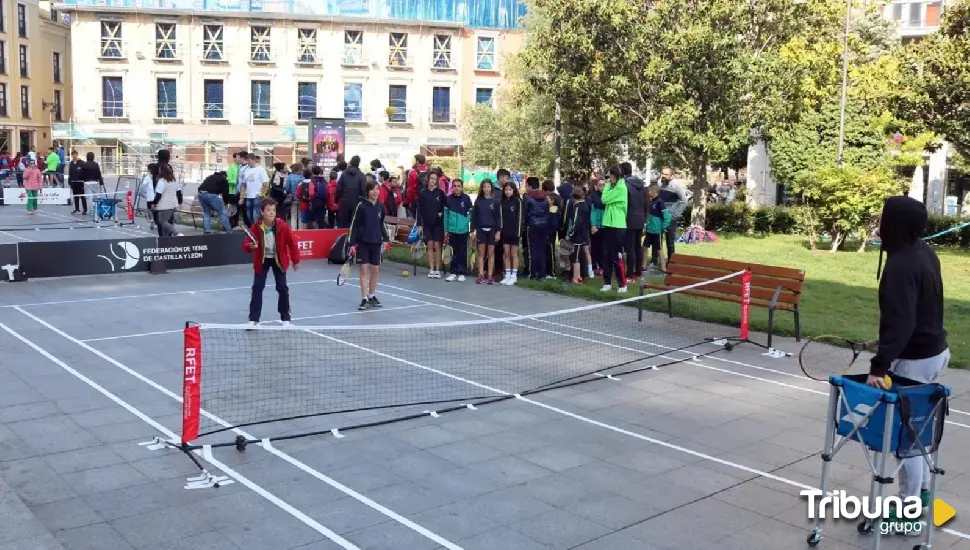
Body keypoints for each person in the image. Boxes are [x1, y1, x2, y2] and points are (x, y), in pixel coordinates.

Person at [866, 196, 948, 534]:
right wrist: (886, 343)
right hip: (935, 351)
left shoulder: (900, 266)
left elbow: (902, 322)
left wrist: (879, 366)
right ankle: (922, 493)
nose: (879, 222)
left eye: (883, 217)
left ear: (894, 225)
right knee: (919, 433)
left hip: (915, 361)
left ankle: (907, 513)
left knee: (908, 442)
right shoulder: (924, 252)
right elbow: (917, 310)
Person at [244, 198, 300, 326]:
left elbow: (292, 243)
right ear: (262, 212)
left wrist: (296, 260)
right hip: (262, 260)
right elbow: (246, 243)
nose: (271, 213)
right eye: (268, 210)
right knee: (257, 288)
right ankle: (253, 319)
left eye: (273, 210)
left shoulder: (282, 226)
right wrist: (250, 246)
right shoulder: (256, 227)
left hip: (278, 260)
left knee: (282, 288)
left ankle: (285, 318)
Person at [348, 181, 390, 311]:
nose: (375, 192)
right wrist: (352, 243)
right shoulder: (361, 206)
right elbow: (354, 225)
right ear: (368, 192)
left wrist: (386, 239)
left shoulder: (381, 207)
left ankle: (372, 296)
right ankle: (364, 298)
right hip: (363, 243)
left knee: (376, 270)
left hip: (376, 243)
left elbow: (382, 224)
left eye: (377, 189)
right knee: (363, 270)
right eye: (372, 190)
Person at [600, 165, 628, 292]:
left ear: (615, 176)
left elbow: (604, 199)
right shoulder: (615, 186)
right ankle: (607, 282)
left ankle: (622, 284)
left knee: (617, 255)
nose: (609, 179)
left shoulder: (621, 187)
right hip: (609, 224)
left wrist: (606, 186)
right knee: (606, 254)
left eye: (610, 176)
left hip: (618, 225)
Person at [470, 179, 500, 284]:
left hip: (492, 230)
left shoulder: (495, 201)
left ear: (491, 188)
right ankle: (481, 274)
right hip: (480, 230)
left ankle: (490, 275)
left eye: (488, 186)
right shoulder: (478, 201)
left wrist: (498, 231)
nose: (486, 188)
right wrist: (472, 231)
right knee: (481, 253)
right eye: (484, 187)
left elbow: (498, 218)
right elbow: (474, 217)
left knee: (491, 253)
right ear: (482, 188)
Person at [417, 172, 446, 278]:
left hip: (438, 224)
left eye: (435, 179)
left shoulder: (441, 193)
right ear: (428, 180)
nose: (433, 181)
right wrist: (419, 224)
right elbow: (419, 210)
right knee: (429, 245)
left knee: (437, 245)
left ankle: (437, 269)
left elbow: (445, 206)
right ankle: (431, 269)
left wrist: (441, 212)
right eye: (431, 178)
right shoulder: (423, 193)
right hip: (427, 224)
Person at [444, 178, 472, 282]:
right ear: (452, 187)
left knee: (462, 252)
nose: (456, 188)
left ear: (462, 187)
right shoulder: (448, 199)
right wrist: (446, 229)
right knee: (453, 252)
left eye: (458, 186)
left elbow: (471, 213)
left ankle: (462, 272)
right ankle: (453, 272)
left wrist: (465, 222)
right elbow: (446, 215)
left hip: (463, 230)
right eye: (454, 186)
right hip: (452, 230)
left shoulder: (466, 198)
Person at [622, 162, 647, 281]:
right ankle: (639, 272)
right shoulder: (641, 184)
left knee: (630, 248)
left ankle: (630, 274)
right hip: (640, 219)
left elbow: (625, 203)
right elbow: (646, 202)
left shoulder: (625, 185)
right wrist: (644, 219)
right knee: (638, 246)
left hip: (629, 219)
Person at [524, 177, 551, 281]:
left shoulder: (527, 196)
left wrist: (525, 223)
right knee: (542, 249)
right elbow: (548, 211)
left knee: (533, 250)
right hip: (544, 224)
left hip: (532, 225)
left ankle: (533, 273)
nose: (526, 188)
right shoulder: (545, 196)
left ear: (530, 186)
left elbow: (525, 212)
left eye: (526, 186)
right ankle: (542, 273)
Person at [658, 167, 687, 258]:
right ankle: (656, 261)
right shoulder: (660, 184)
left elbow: (684, 201)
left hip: (670, 218)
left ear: (672, 176)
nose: (663, 176)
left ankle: (671, 262)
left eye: (666, 174)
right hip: (660, 216)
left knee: (669, 242)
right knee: (657, 240)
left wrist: (675, 214)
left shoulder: (677, 186)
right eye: (662, 173)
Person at [499, 182, 523, 285]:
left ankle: (514, 276)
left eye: (510, 189)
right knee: (507, 254)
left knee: (514, 254)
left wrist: (518, 233)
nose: (508, 191)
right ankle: (507, 274)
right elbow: (500, 218)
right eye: (506, 190)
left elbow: (520, 218)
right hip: (505, 232)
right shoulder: (502, 201)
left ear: (513, 190)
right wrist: (500, 231)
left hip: (515, 233)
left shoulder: (518, 201)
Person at [566, 186, 590, 285]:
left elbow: (576, 222)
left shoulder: (577, 207)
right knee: (579, 257)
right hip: (583, 234)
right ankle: (579, 276)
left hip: (577, 236)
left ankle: (575, 278)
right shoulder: (585, 205)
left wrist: (570, 234)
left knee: (575, 258)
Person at [644, 183, 671, 270]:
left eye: (649, 191)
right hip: (649, 230)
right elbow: (650, 216)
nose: (648, 192)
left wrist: (664, 226)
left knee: (659, 250)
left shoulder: (660, 202)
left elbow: (667, 216)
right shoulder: (652, 201)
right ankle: (643, 266)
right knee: (644, 247)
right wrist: (646, 225)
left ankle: (663, 268)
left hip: (656, 231)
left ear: (653, 191)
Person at [152, 162, 182, 237]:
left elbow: (158, 194)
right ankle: (166, 238)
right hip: (172, 204)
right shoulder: (174, 181)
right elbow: (179, 193)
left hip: (163, 205)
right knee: (167, 222)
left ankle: (176, 233)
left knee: (162, 222)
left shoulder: (162, 181)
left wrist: (154, 203)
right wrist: (179, 202)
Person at [336, 155, 366, 228]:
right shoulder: (361, 175)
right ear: (358, 163)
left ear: (351, 162)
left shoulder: (344, 174)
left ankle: (343, 238)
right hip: (356, 202)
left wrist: (336, 199)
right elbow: (363, 190)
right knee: (354, 224)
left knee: (343, 223)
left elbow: (339, 188)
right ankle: (352, 238)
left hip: (344, 201)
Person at [541, 179, 562, 278]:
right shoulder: (555, 198)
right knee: (546, 249)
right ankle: (546, 270)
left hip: (551, 226)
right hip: (550, 226)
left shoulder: (555, 198)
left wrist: (549, 207)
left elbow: (556, 211)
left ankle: (551, 272)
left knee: (550, 249)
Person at [240, 155, 267, 228]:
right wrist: (242, 198)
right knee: (249, 215)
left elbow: (266, 183)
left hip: (257, 196)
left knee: (256, 215)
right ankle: (254, 228)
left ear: (253, 160)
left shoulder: (260, 169)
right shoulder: (246, 170)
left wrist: (261, 194)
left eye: (248, 161)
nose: (247, 163)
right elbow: (243, 184)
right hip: (248, 196)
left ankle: (258, 229)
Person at [495, 168, 512, 277]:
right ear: (501, 178)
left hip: (506, 224)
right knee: (495, 247)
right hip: (495, 223)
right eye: (506, 178)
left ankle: (503, 269)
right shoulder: (493, 190)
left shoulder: (508, 190)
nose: (507, 180)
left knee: (504, 248)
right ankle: (494, 269)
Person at [588, 177, 605, 276]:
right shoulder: (593, 197)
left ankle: (602, 266)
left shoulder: (608, 196)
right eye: (600, 185)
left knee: (604, 247)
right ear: (596, 186)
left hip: (606, 226)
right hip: (596, 225)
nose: (602, 187)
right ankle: (594, 266)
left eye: (604, 185)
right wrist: (593, 225)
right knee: (595, 247)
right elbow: (592, 212)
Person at [226, 152, 245, 228]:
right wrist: (236, 183)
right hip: (233, 191)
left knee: (239, 209)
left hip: (240, 192)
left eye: (239, 157)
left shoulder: (242, 167)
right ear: (234, 158)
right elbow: (229, 180)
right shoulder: (231, 167)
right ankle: (231, 224)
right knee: (232, 209)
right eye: (237, 157)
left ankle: (236, 224)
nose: (238, 159)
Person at [284, 163, 303, 228]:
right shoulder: (302, 177)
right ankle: (301, 233)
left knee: (293, 217)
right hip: (301, 199)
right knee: (300, 217)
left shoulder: (290, 177)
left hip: (292, 199)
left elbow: (287, 188)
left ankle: (293, 233)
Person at [68, 150, 86, 215]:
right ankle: (77, 209)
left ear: (77, 155)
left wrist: (84, 181)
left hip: (80, 182)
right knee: (75, 196)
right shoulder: (71, 163)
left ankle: (85, 209)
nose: (74, 156)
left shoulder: (82, 163)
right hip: (73, 182)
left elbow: (84, 173)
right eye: (73, 154)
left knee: (82, 196)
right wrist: (69, 182)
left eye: (75, 154)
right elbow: (70, 173)